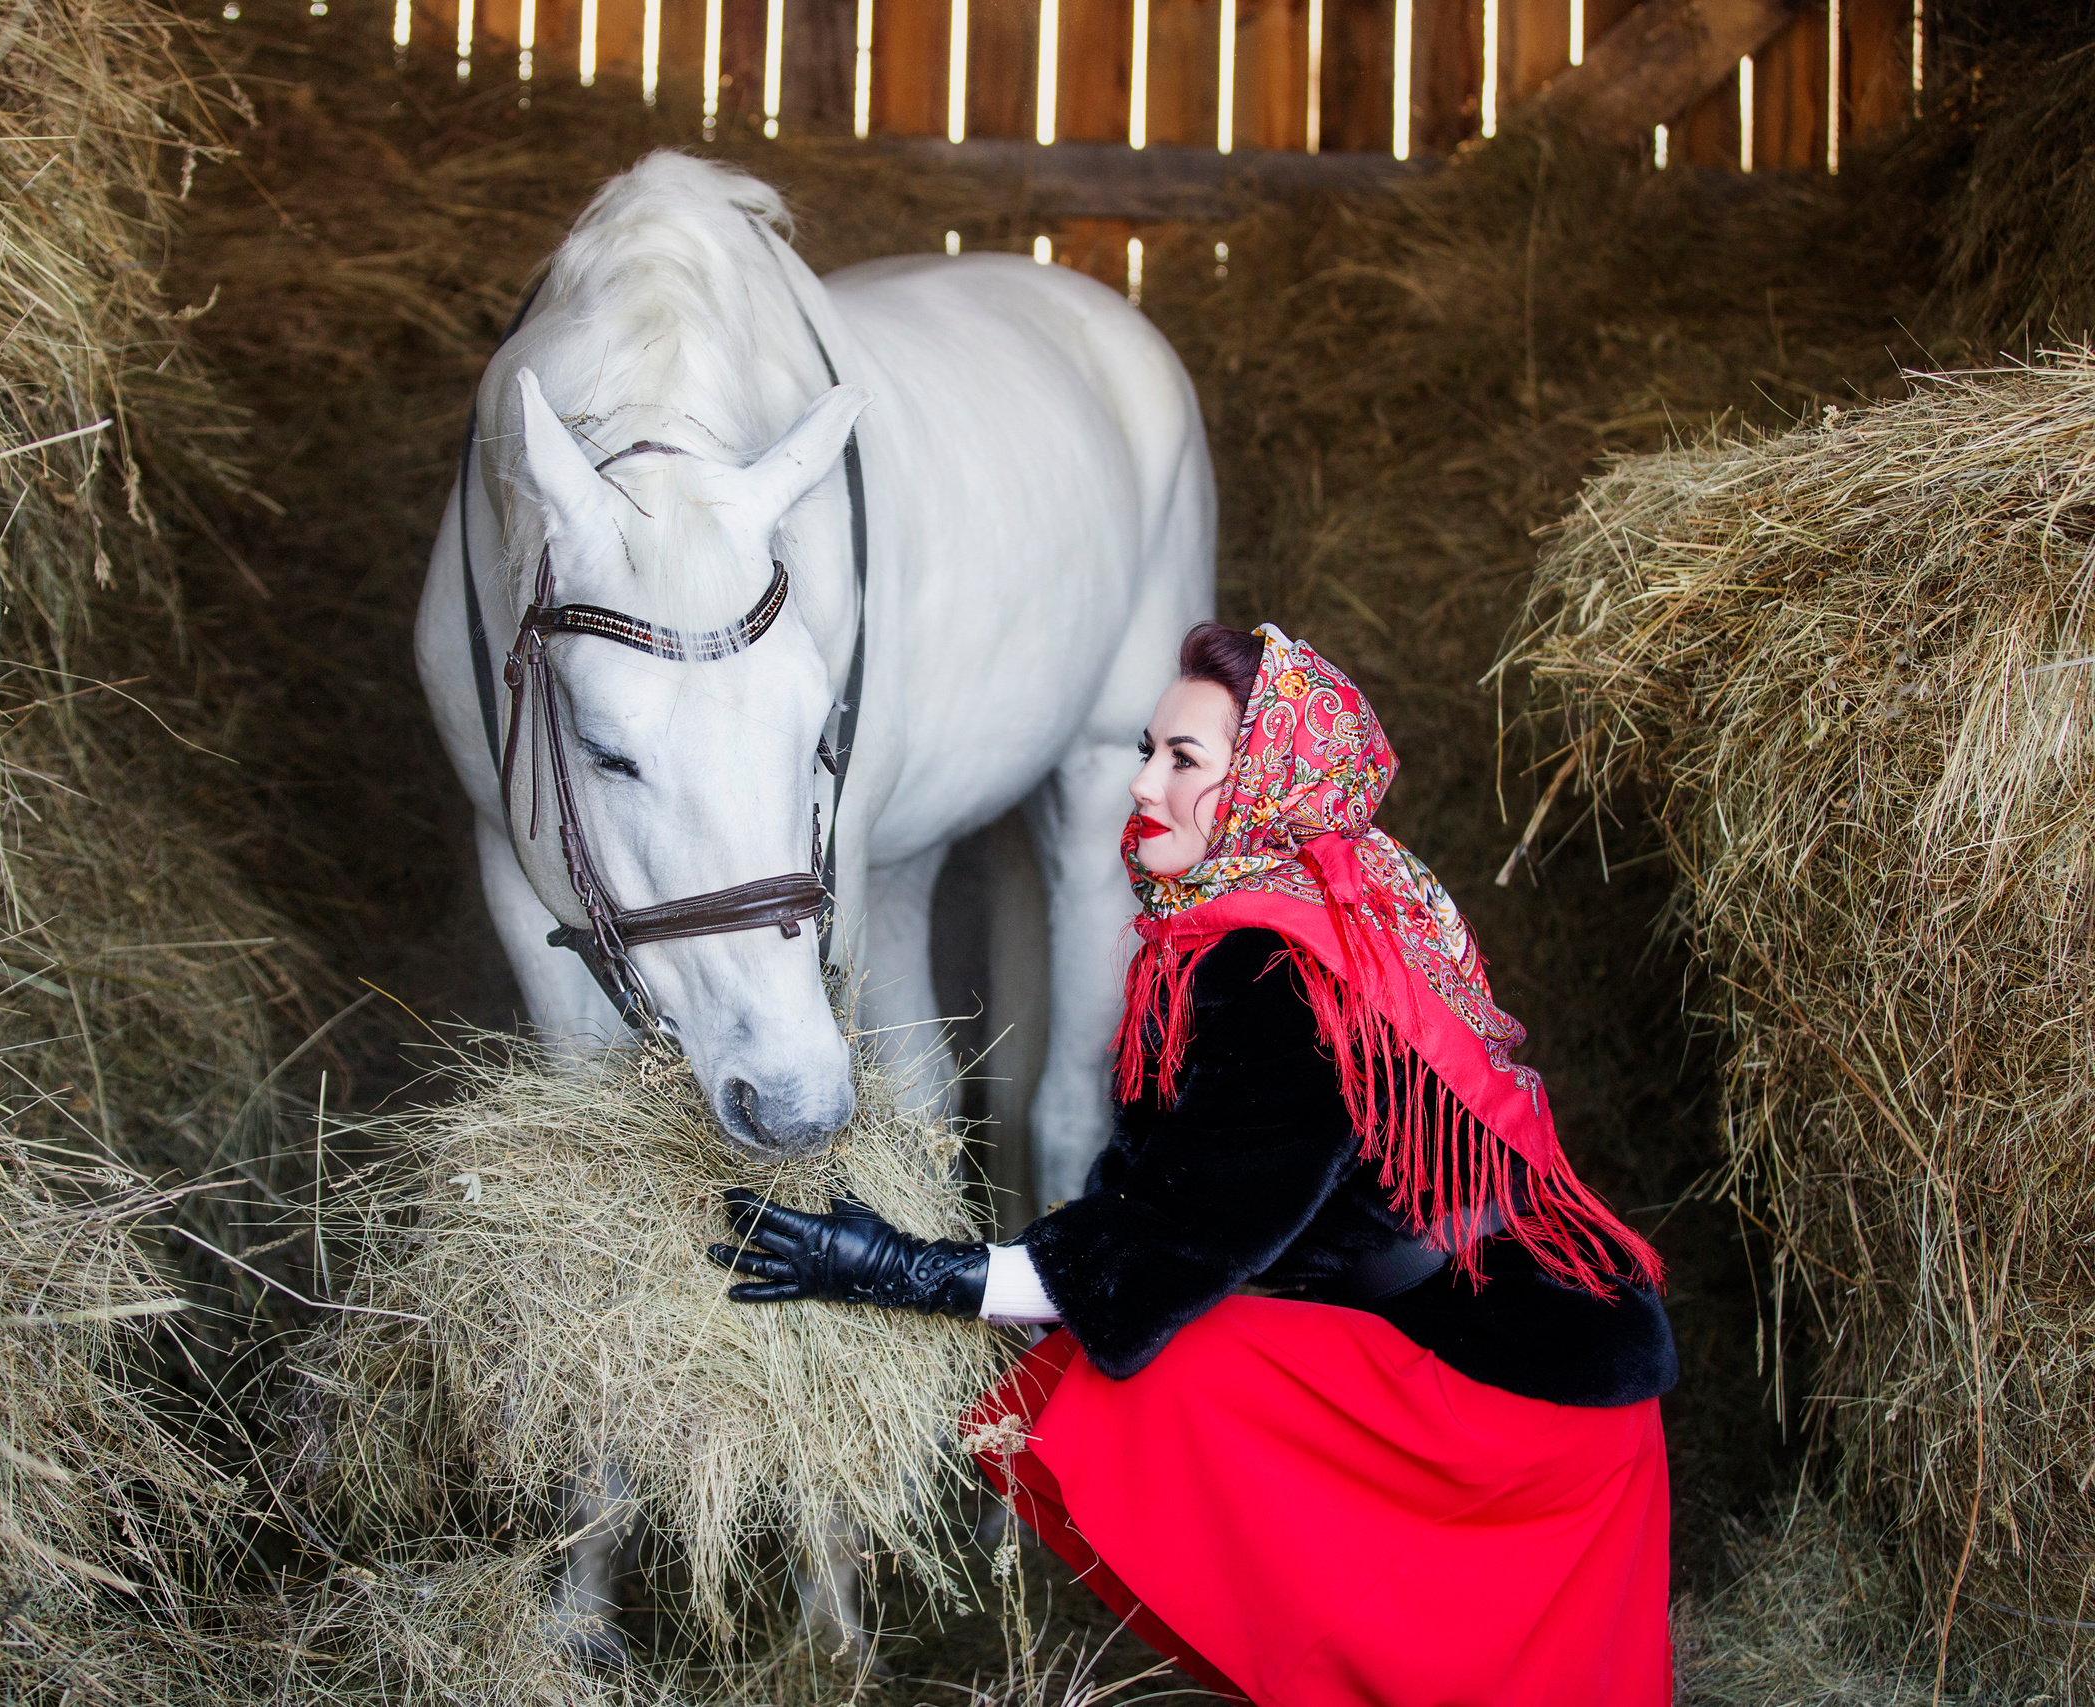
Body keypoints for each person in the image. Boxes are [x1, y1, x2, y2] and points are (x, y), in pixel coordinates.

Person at [707, 621, 1676, 1705]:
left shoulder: (1278, 971)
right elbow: (1153, 1204)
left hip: (1517, 1403)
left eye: (1183, 760)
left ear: (1264, 783)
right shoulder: (1280, 918)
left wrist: (901, 1272)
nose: (1140, 784)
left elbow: (1164, 1248)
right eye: (1144, 749)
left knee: (1154, 1380)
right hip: (1518, 1362)